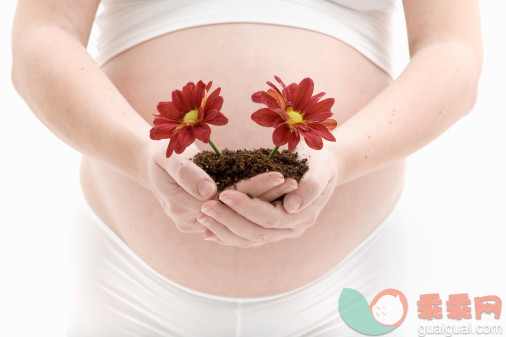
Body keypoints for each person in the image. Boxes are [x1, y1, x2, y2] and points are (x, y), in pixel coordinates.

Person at [11, 0, 483, 335]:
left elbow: (453, 52)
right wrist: (141, 154)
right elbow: (42, 35)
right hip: (128, 284)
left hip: (348, 285)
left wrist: (341, 155)